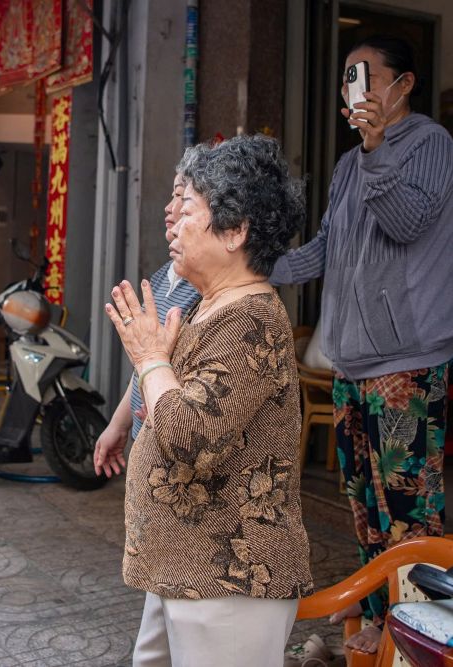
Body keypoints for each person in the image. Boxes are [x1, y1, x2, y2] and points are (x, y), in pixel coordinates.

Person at [96, 135, 312, 666]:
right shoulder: (210, 307)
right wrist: (154, 366)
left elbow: (191, 440)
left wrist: (151, 359)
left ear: (235, 232)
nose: (173, 223)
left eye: (189, 208)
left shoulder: (250, 319)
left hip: (230, 578)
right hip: (187, 564)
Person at [270, 34, 453, 654]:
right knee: (365, 503)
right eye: (347, 78)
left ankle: (414, 633)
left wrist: (377, 151)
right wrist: (256, 266)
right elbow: (328, 247)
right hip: (352, 363)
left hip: (407, 364)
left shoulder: (431, 143)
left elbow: (407, 222)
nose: (354, 90)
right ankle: (380, 612)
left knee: (407, 504)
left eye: (365, 76)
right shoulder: (350, 165)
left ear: (404, 84)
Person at [96, 170, 200, 457]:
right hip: (145, 439)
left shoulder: (206, 292)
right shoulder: (162, 276)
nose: (169, 207)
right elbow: (144, 363)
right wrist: (119, 424)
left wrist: (159, 405)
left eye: (181, 197)